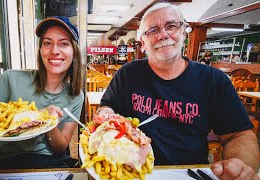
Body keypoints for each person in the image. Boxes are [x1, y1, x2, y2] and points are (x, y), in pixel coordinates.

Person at [97, 2, 260, 179]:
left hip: (189, 173)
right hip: (131, 171)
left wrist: (240, 165)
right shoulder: (127, 74)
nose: (163, 35)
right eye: (153, 30)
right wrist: (106, 115)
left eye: (171, 26)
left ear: (184, 32)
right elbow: (107, 106)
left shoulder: (214, 80)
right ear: (143, 42)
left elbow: (239, 135)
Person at [0, 16, 84, 169]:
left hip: (47, 163)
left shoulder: (76, 96)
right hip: (4, 162)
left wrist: (49, 122)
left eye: (64, 44)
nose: (54, 50)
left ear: (74, 51)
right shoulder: (10, 78)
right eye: (47, 43)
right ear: (40, 50)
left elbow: (60, 147)